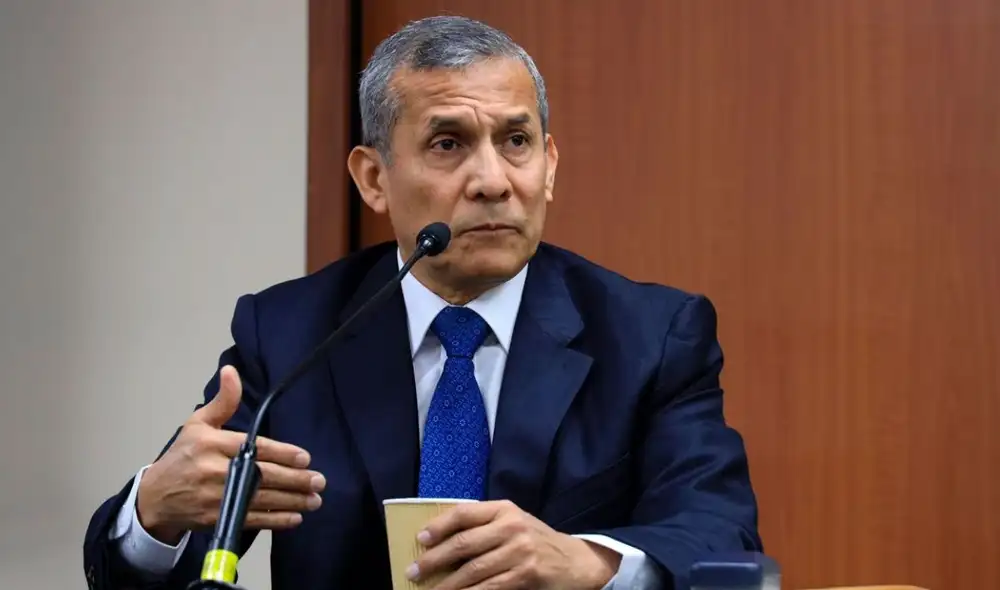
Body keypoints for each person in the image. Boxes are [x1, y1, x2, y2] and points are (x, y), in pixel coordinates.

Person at [83, 15, 762, 590]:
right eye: (448, 144)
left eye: (516, 142)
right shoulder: (291, 336)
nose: (493, 181)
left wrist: (587, 562)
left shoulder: (650, 337)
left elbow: (721, 544)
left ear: (549, 165)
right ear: (373, 178)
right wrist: (154, 513)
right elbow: (158, 565)